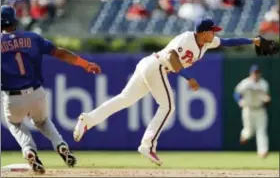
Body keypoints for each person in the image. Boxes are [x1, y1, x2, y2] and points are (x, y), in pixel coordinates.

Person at [73, 18, 261, 166]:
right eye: (213, 31)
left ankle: (87, 119)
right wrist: (189, 78)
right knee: (168, 105)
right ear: (203, 32)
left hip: (150, 65)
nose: (215, 34)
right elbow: (171, 58)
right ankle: (147, 145)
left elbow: (228, 42)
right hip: (157, 66)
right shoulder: (186, 38)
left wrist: (252, 40)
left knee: (125, 99)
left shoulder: (207, 42)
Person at [1, 5, 101, 174]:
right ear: (15, 21)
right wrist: (85, 64)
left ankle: (28, 150)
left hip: (12, 97)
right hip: (36, 93)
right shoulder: (33, 38)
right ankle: (60, 145)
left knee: (14, 123)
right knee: (42, 121)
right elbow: (60, 53)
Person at [233, 65, 270, 158]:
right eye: (254, 72)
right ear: (251, 73)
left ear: (260, 73)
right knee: (249, 132)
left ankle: (263, 151)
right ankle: (244, 136)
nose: (256, 74)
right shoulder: (245, 83)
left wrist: (267, 100)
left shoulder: (264, 84)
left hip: (260, 109)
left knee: (261, 131)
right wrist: (239, 101)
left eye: (257, 72)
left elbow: (267, 97)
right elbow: (236, 93)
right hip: (248, 109)